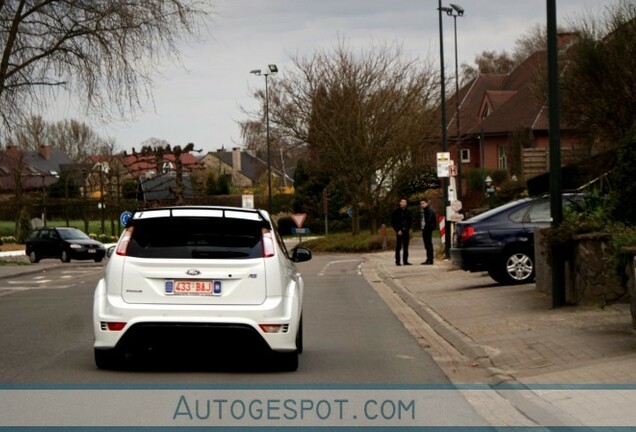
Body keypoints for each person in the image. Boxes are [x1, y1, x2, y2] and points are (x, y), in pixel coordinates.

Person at [391, 197, 412, 266]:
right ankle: (397, 261)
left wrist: (408, 228)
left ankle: (405, 261)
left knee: (406, 246)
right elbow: (393, 222)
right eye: (402, 202)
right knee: (398, 247)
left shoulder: (408, 212)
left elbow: (410, 221)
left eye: (405, 202)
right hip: (399, 231)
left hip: (406, 230)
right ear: (400, 203)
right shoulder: (396, 212)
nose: (403, 203)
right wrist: (397, 230)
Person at [419, 198, 437, 265]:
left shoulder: (429, 210)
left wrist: (427, 228)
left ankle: (430, 259)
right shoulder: (424, 210)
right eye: (421, 204)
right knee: (427, 244)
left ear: (426, 203)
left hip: (428, 229)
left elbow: (429, 220)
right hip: (425, 229)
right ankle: (428, 259)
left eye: (423, 203)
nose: (422, 205)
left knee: (428, 244)